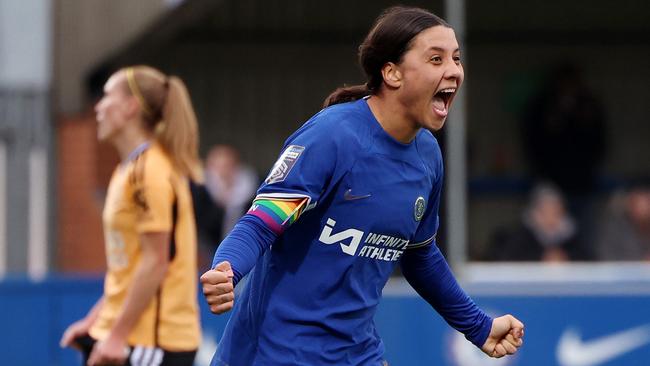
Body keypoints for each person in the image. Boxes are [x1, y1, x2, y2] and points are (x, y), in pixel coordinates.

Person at [201, 6, 524, 365]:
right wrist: (226, 269)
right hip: (276, 354)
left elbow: (419, 254)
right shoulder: (332, 137)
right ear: (392, 73)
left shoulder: (427, 155)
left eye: (456, 59)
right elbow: (261, 223)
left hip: (358, 355)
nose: (453, 71)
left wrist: (477, 326)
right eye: (436, 59)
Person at [60, 65, 202, 366]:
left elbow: (156, 261)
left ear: (130, 107)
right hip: (128, 337)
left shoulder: (150, 171)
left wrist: (116, 336)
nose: (98, 106)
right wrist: (94, 321)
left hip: (153, 342)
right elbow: (131, 268)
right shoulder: (128, 170)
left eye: (107, 96)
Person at [485, 183, 581, 262]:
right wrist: (542, 258)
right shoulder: (522, 235)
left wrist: (565, 257)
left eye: (556, 212)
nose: (551, 217)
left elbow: (587, 260)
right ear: (536, 213)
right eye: (546, 211)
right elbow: (506, 259)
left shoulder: (570, 237)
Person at [203, 144, 258, 242]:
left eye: (226, 166)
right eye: (217, 166)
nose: (222, 171)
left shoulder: (250, 191)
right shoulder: (202, 191)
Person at [596, 181, 650, 261]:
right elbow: (605, 257)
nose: (641, 209)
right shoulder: (615, 229)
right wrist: (639, 263)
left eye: (646, 204)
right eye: (636, 204)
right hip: (622, 271)